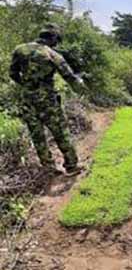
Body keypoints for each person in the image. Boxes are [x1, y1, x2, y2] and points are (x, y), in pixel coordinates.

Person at [9, 23, 86, 177]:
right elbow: (69, 77)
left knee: (37, 134)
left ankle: (49, 168)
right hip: (47, 101)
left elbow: (13, 74)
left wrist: (26, 85)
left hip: (28, 100)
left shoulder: (20, 49)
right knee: (60, 132)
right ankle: (71, 166)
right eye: (57, 40)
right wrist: (81, 87)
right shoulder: (53, 55)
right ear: (53, 38)